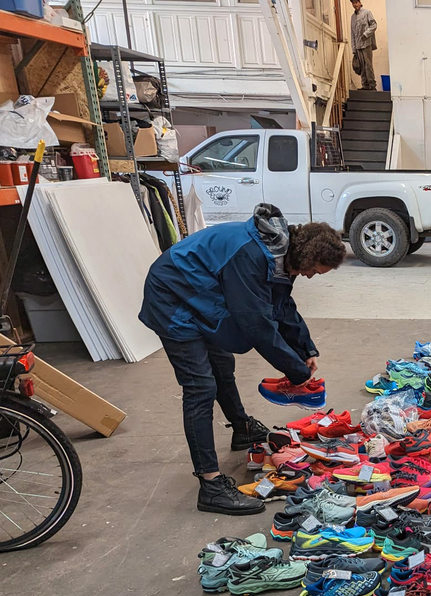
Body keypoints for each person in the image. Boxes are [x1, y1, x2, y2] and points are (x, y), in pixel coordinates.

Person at [139, 204, 345, 516]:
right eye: (314, 270)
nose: (311, 276)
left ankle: (242, 427)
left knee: (223, 364)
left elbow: (281, 305)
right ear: (306, 255)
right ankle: (210, 485)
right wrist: (296, 372)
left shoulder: (281, 254)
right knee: (200, 387)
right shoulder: (253, 255)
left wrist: (306, 350)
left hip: (202, 293)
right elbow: (256, 324)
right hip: (173, 297)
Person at [350, 0, 378, 91]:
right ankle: (365, 86)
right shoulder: (352, 17)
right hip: (358, 46)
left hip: (366, 44)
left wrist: (366, 34)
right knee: (361, 66)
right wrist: (354, 49)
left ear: (359, 2)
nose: (355, 5)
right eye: (353, 3)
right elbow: (352, 34)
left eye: (356, 2)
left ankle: (372, 85)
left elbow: (374, 25)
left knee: (368, 65)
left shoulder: (367, 12)